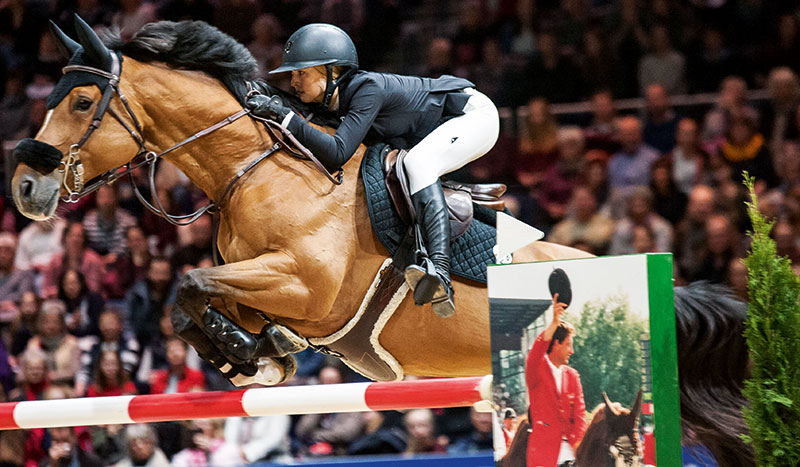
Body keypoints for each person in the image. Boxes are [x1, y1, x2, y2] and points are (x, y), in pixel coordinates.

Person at [246, 23, 500, 318]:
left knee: (417, 163)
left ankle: (440, 271)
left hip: (474, 116)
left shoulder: (368, 89)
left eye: (301, 73)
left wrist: (282, 114)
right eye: (292, 74)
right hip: (444, 125)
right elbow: (306, 117)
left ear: (332, 71)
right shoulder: (337, 98)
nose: (293, 81)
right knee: (413, 162)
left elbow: (337, 153)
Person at [525, 294, 587, 467]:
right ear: (556, 344)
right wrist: (553, 324)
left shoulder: (573, 375)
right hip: (544, 456)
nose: (572, 351)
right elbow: (535, 353)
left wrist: (578, 444)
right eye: (569, 344)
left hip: (572, 454)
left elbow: (580, 414)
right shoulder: (536, 369)